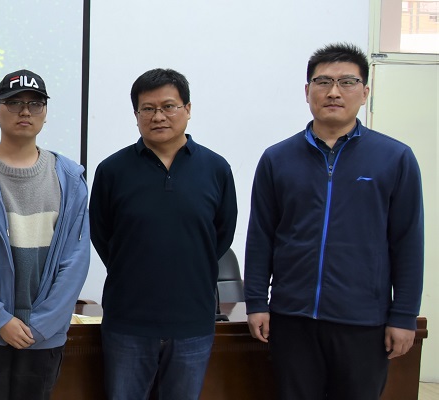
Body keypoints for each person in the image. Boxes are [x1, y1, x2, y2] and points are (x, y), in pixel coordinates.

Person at [244, 43, 424, 400]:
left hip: (363, 321)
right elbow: (261, 236)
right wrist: (256, 302)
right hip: (292, 318)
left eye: (347, 82)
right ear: (307, 91)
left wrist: (404, 316)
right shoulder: (277, 159)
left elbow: (408, 243)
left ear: (365, 92)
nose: (334, 92)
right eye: (323, 81)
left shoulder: (394, 158)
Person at [89, 68, 237, 399]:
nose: (158, 117)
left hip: (192, 322)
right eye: (148, 109)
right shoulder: (112, 170)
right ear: (136, 114)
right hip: (128, 323)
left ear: (188, 109)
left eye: (168, 106)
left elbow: (220, 236)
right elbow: (102, 235)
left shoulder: (216, 169)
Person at [0, 69, 90, 400]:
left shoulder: (69, 177)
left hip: (44, 336)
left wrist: (42, 325)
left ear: (45, 113)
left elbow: (76, 259)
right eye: (14, 103)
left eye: (35, 104)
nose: (25, 111)